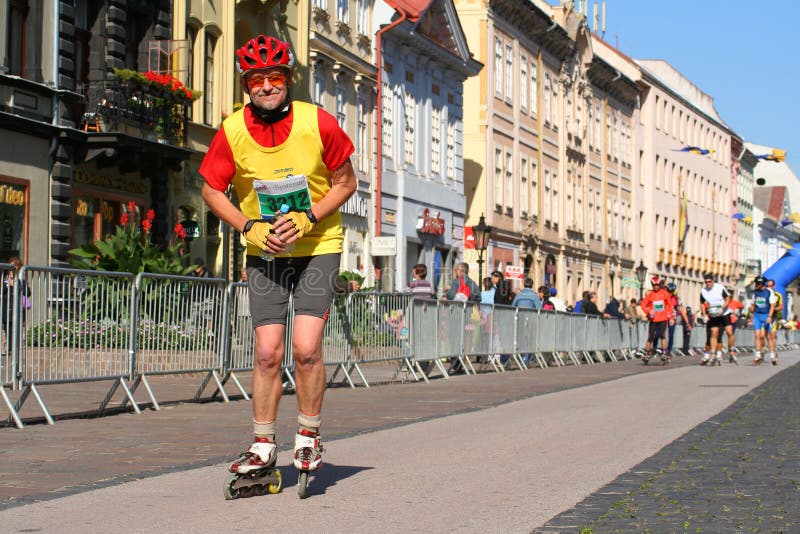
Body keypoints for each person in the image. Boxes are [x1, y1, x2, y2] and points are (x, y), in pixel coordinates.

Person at [200, 34, 357, 490]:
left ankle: (308, 434)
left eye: (275, 77)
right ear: (246, 85)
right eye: (256, 79)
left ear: (288, 79)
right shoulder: (232, 130)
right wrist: (248, 227)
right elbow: (211, 189)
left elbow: (346, 182)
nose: (267, 86)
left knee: (306, 350)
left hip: (317, 247)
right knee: (268, 353)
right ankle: (264, 443)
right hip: (265, 252)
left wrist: (309, 217)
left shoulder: (318, 122)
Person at [699, 273, 732, 366]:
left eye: (709, 282)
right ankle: (707, 355)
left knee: (719, 336)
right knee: (709, 335)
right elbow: (702, 303)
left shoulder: (720, 288)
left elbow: (728, 298)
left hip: (722, 315)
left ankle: (718, 354)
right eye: (706, 282)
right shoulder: (704, 291)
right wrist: (704, 315)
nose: (708, 284)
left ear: (713, 281)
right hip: (711, 316)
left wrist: (722, 308)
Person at [640, 275, 674, 364]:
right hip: (653, 319)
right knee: (650, 337)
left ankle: (664, 352)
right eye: (654, 285)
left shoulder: (664, 293)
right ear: (652, 285)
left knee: (662, 335)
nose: (656, 287)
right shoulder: (650, 295)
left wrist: (671, 317)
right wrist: (648, 311)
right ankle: (647, 353)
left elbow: (670, 305)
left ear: (660, 285)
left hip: (663, 318)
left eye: (658, 285)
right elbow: (643, 305)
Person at [750, 276, 777, 365]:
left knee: (768, 336)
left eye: (758, 283)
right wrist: (751, 309)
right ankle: (758, 354)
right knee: (757, 335)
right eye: (756, 283)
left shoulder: (769, 292)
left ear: (762, 284)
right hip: (757, 315)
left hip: (766, 315)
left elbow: (772, 305)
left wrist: (769, 316)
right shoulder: (755, 293)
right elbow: (753, 303)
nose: (757, 285)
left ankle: (772, 355)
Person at [665, 282, 692, 358]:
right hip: (662, 318)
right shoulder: (663, 297)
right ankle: (660, 348)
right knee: (661, 334)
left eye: (671, 291)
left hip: (672, 319)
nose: (670, 293)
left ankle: (669, 350)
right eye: (668, 291)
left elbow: (682, 311)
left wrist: (687, 323)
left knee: (671, 335)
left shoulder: (676, 299)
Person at [766, 279, 783, 364]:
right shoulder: (764, 293)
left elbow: (781, 307)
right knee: (762, 336)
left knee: (772, 335)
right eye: (767, 286)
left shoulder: (778, 295)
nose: (768, 287)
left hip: (773, 317)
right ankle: (760, 354)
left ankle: (773, 353)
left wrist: (773, 309)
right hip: (763, 317)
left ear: (774, 286)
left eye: (770, 286)